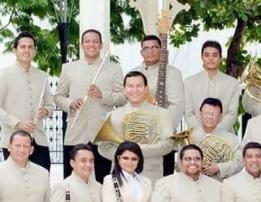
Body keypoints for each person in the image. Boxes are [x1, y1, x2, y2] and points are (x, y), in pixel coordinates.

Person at [54, 28, 127, 182]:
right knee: (72, 178)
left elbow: (123, 98)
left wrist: (103, 95)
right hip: (75, 132)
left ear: (101, 45)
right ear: (82, 45)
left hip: (103, 133)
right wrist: (70, 103)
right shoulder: (68, 68)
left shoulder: (114, 69)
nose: (91, 45)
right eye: (87, 41)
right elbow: (58, 96)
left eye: (95, 41)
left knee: (103, 179)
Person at [98, 71, 174, 184]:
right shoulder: (112, 115)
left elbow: (168, 144)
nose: (134, 90)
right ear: (124, 89)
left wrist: (137, 150)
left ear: (146, 89)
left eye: (139, 86)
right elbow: (103, 147)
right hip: (120, 175)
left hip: (151, 175)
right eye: (130, 86)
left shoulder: (162, 114)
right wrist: (124, 158)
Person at [131, 34, 185, 177]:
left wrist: (162, 128)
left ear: (161, 50)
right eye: (146, 48)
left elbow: (177, 104)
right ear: (141, 52)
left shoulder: (173, 73)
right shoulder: (133, 72)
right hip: (139, 135)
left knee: (162, 182)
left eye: (155, 47)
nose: (150, 51)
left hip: (162, 136)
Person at [0, 31, 54, 171]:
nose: (27, 50)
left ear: (35, 51)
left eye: (30, 47)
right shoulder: (4, 74)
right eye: (23, 47)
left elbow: (50, 105)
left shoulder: (42, 76)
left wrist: (46, 110)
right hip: (13, 141)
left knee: (42, 181)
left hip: (39, 141)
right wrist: (17, 122)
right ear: (15, 50)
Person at [184, 40, 240, 131]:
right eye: (207, 55)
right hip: (197, 136)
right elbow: (188, 113)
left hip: (224, 136)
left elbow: (232, 113)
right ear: (202, 57)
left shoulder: (232, 83)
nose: (210, 58)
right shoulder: (189, 82)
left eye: (214, 55)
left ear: (221, 58)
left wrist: (217, 132)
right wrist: (200, 132)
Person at [190, 98, 242, 180]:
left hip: (219, 185)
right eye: (206, 113)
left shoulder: (232, 138)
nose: (210, 117)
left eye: (214, 114)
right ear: (200, 114)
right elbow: (180, 164)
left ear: (220, 116)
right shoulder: (191, 136)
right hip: (193, 184)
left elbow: (239, 163)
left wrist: (219, 167)